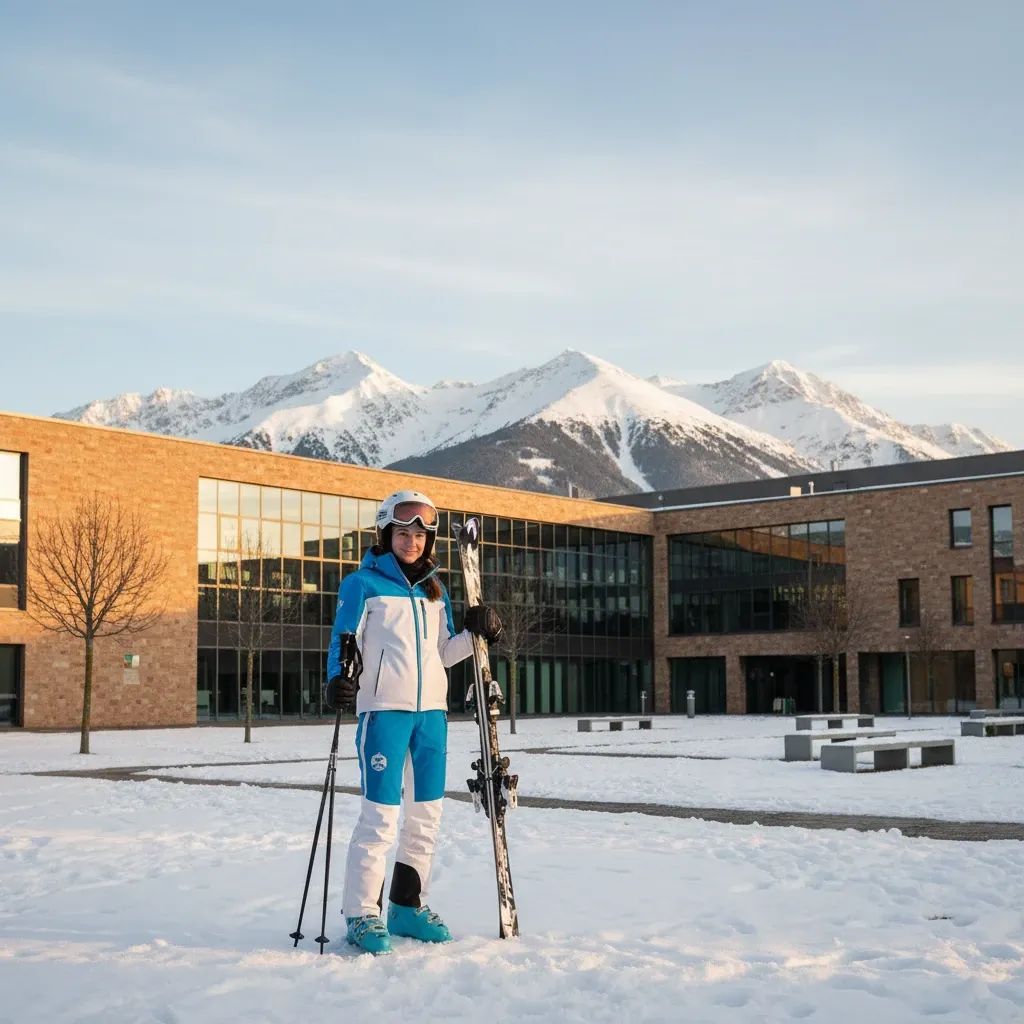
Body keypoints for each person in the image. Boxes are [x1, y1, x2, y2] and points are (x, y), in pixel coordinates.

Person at [324, 489, 503, 955]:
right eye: (402, 533)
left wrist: (477, 632)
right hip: (384, 714)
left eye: (420, 535)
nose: (411, 542)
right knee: (380, 818)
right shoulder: (361, 584)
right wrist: (336, 682)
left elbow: (444, 654)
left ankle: (406, 906)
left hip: (432, 717)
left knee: (426, 816)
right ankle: (363, 914)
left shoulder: (433, 591)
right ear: (387, 534)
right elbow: (343, 642)